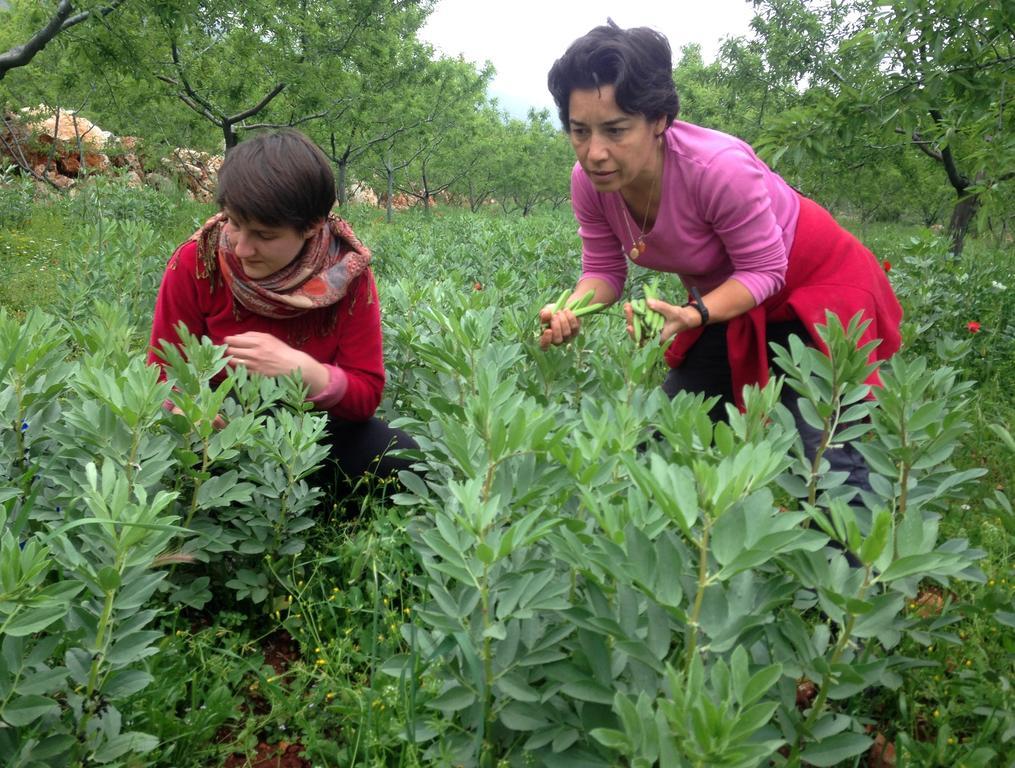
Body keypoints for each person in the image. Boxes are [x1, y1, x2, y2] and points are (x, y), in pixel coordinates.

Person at [540, 21, 903, 489]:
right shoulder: (589, 183)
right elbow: (604, 271)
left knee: (827, 462)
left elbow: (767, 270)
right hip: (728, 300)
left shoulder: (718, 169)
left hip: (819, 291)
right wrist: (570, 310)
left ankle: (860, 562)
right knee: (662, 435)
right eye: (579, 131)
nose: (595, 153)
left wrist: (693, 314)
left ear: (658, 121)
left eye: (615, 130)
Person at [148, 129, 416, 492]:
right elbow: (162, 371)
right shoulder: (197, 262)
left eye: (264, 235)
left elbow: (365, 395)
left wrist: (300, 370)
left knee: (400, 457)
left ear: (311, 226)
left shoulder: (347, 276)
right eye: (233, 222)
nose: (242, 248)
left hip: (308, 432)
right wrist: (188, 412)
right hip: (219, 433)